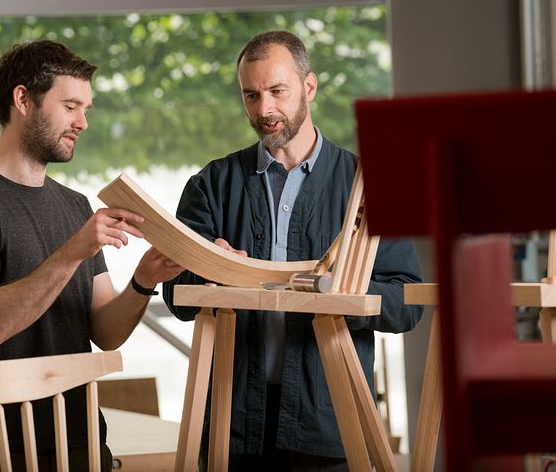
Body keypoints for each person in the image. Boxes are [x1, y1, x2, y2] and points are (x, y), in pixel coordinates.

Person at [163, 30, 424, 471]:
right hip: (233, 426)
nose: (264, 109)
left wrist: (342, 292)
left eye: (277, 91)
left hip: (328, 425)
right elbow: (177, 295)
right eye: (251, 95)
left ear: (309, 87)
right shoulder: (210, 185)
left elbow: (407, 302)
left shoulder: (368, 187)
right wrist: (213, 271)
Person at [0, 40, 183, 472]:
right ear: (23, 99)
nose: (82, 122)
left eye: (86, 109)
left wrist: (143, 280)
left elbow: (105, 331)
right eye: (70, 106)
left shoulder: (74, 206)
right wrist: (74, 251)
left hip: (79, 442)